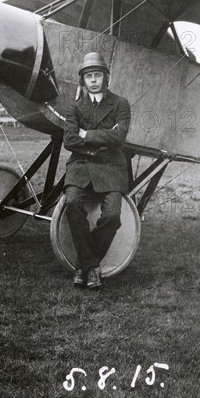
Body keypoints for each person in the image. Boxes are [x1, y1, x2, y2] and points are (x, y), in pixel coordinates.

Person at [63, 52, 131, 289]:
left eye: (97, 75)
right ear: (83, 80)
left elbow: (119, 136)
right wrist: (103, 138)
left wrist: (87, 134)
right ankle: (92, 268)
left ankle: (84, 266)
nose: (93, 80)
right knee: (72, 204)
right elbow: (69, 141)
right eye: (89, 76)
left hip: (111, 168)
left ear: (105, 78)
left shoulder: (121, 104)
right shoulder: (74, 107)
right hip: (80, 167)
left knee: (112, 216)